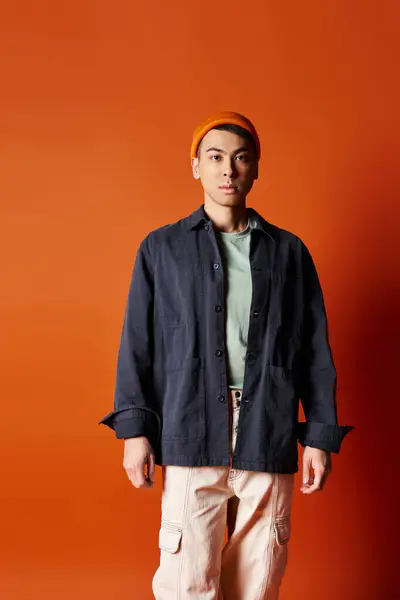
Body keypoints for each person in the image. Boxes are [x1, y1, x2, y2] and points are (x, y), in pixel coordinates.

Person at [98, 110, 354, 599]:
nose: (228, 170)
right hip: (191, 425)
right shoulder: (162, 249)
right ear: (196, 166)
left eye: (240, 159)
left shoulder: (289, 253)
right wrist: (135, 432)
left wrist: (318, 437)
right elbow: (138, 344)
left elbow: (314, 351)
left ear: (256, 168)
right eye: (215, 157)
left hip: (268, 425)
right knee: (187, 580)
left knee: (257, 580)